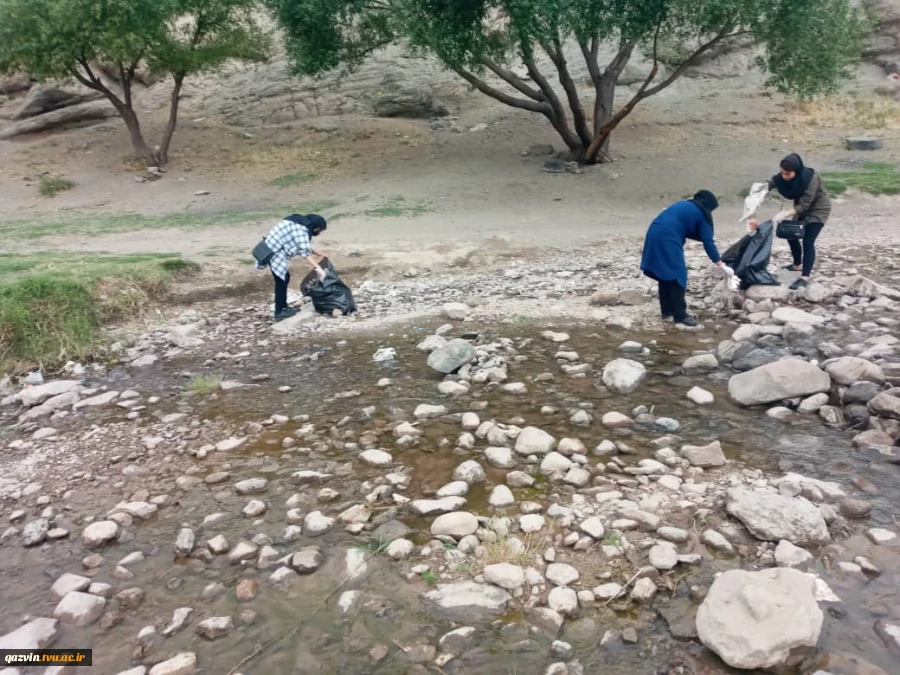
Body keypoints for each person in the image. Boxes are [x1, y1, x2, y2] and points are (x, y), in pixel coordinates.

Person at [640, 190, 732, 327]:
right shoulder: (702, 214)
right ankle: (680, 315)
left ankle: (667, 311)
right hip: (668, 239)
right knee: (678, 274)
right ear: (709, 206)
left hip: (654, 232)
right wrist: (721, 264)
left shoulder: (684, 205)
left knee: (665, 274)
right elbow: (707, 241)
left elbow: (686, 228)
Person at [748, 153, 831, 291]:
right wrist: (759, 191)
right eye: (782, 173)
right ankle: (796, 265)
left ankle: (804, 277)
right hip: (800, 209)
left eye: (787, 174)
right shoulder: (782, 176)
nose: (784, 177)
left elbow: (805, 204)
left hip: (818, 209)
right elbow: (771, 183)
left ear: (796, 171)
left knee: (808, 241)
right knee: (791, 235)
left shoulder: (811, 178)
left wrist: (785, 213)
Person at [257, 213, 328, 320]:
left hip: (271, 248)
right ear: (315, 226)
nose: (318, 232)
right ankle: (279, 312)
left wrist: (316, 251)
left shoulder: (296, 222)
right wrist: (318, 268)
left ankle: (283, 307)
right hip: (275, 252)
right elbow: (304, 253)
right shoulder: (302, 230)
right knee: (281, 280)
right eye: (319, 230)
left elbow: (298, 243)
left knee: (284, 279)